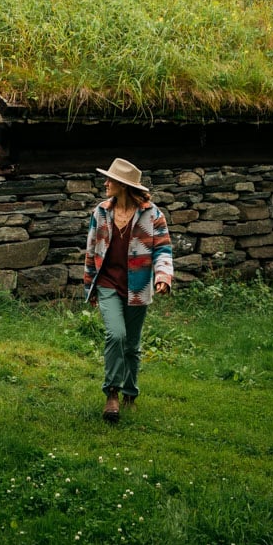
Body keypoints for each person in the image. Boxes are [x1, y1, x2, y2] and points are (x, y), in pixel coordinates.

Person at [84, 157, 173, 423]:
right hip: (108, 284)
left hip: (138, 287)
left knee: (132, 345)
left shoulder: (153, 215)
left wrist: (163, 277)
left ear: (123, 186)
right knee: (116, 335)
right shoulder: (100, 212)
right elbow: (91, 251)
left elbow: (163, 249)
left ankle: (130, 393)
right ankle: (112, 393)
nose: (106, 183)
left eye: (110, 180)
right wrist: (90, 286)